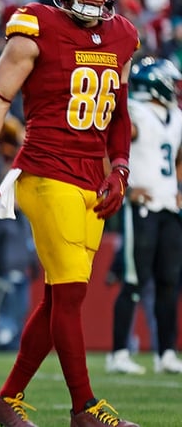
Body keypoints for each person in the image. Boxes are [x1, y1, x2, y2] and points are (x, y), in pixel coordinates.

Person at [0, 0, 140, 426]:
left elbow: (120, 114)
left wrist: (120, 168)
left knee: (58, 301)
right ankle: (84, 407)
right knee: (70, 296)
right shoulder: (35, 25)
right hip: (45, 172)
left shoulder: (123, 35)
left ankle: (7, 401)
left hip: (92, 178)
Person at [106, 57, 182, 375]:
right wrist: (126, 186)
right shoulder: (135, 113)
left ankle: (165, 352)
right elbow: (108, 144)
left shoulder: (176, 115)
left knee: (169, 283)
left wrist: (178, 185)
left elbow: (177, 155)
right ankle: (119, 352)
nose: (175, 88)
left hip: (169, 206)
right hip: (142, 207)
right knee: (135, 281)